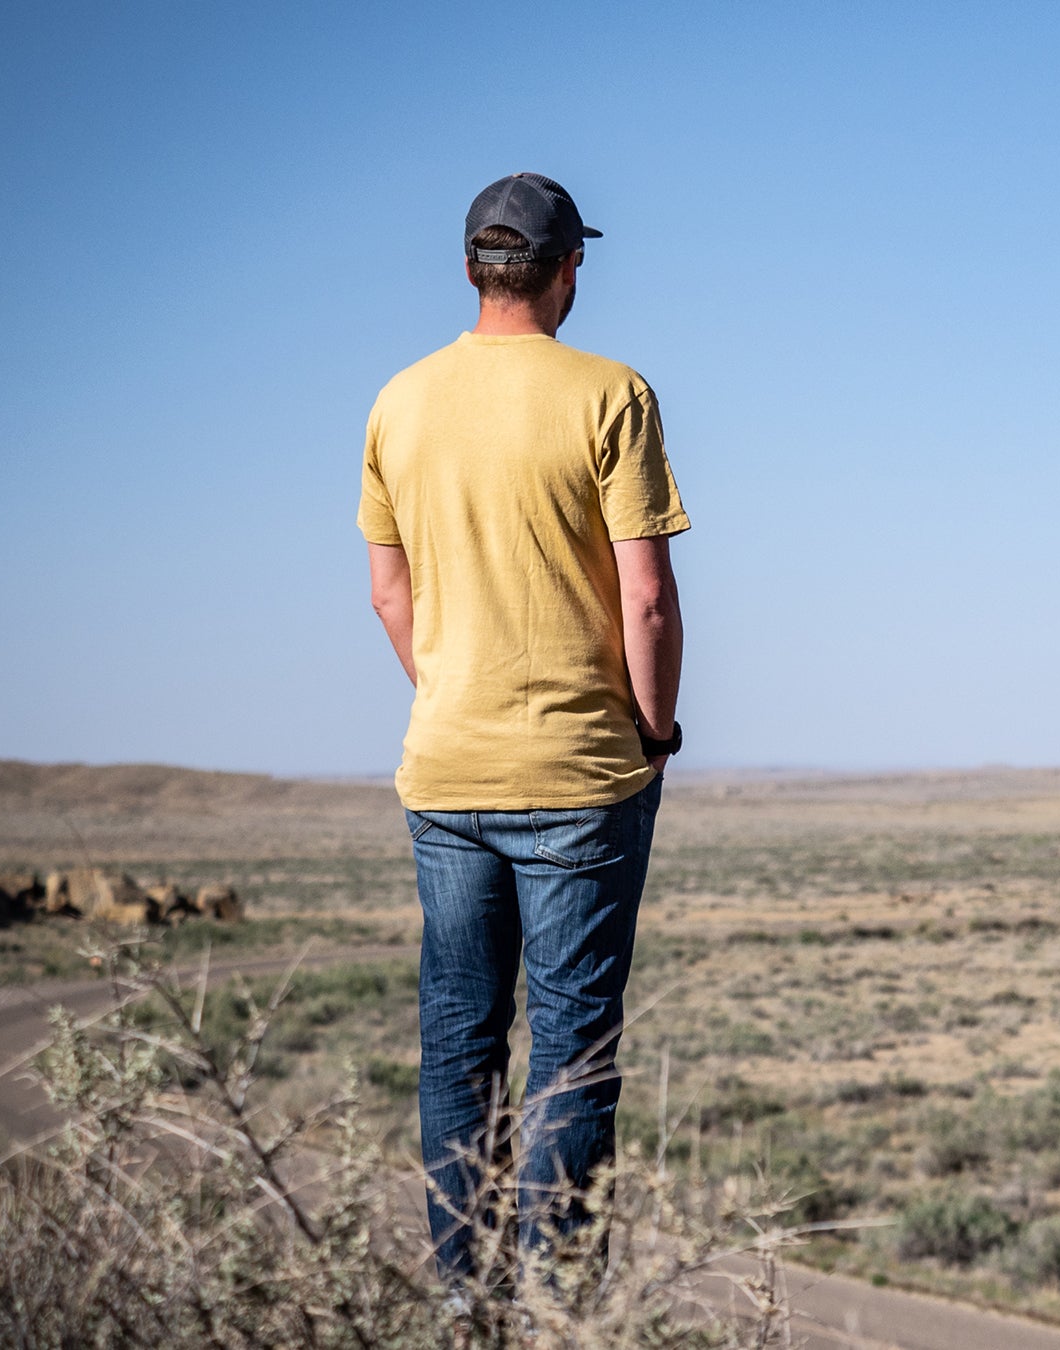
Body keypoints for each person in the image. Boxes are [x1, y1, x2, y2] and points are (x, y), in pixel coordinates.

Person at [358, 172, 687, 1293]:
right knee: (571, 1050)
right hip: (581, 776)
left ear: (469, 269)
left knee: (459, 1042)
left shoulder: (399, 402)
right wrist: (653, 733)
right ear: (568, 269)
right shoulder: (611, 395)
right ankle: (557, 1305)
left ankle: (468, 1297)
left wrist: (453, 688)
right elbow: (647, 599)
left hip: (447, 770)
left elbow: (389, 597)